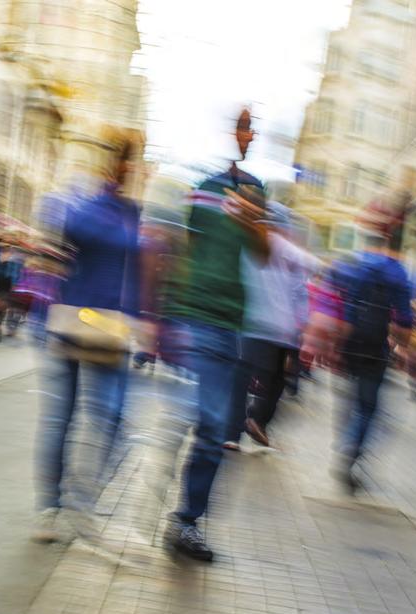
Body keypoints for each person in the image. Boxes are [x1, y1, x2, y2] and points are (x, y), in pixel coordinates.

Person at [157, 107, 271, 561]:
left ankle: (188, 522)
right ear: (227, 131)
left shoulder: (256, 189)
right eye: (243, 125)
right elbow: (179, 244)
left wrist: (251, 220)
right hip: (196, 314)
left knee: (217, 427)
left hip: (232, 322)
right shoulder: (198, 185)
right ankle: (184, 520)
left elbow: (263, 253)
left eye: (252, 126)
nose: (250, 134)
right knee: (207, 419)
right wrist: (166, 309)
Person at [29, 134, 143, 544]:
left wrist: (144, 319)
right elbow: (69, 227)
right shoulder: (88, 205)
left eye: (133, 161)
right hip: (74, 316)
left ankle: (82, 501)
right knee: (62, 416)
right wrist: (106, 191)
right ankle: (51, 507)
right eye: (124, 161)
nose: (130, 168)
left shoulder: (135, 212)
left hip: (113, 325)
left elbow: (140, 266)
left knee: (112, 418)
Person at [225, 203, 320, 450]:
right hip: (282, 329)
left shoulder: (247, 244)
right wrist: (304, 325)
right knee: (276, 381)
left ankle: (232, 433)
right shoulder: (284, 246)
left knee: (241, 376)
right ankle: (257, 420)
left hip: (251, 325)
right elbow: (304, 285)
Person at [329, 229, 412, 493]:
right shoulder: (397, 272)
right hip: (376, 345)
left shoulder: (351, 264)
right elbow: (405, 320)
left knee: (347, 398)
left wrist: (334, 343)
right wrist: (400, 347)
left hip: (349, 341)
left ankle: (344, 436)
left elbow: (334, 300)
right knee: (368, 406)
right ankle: (353, 446)